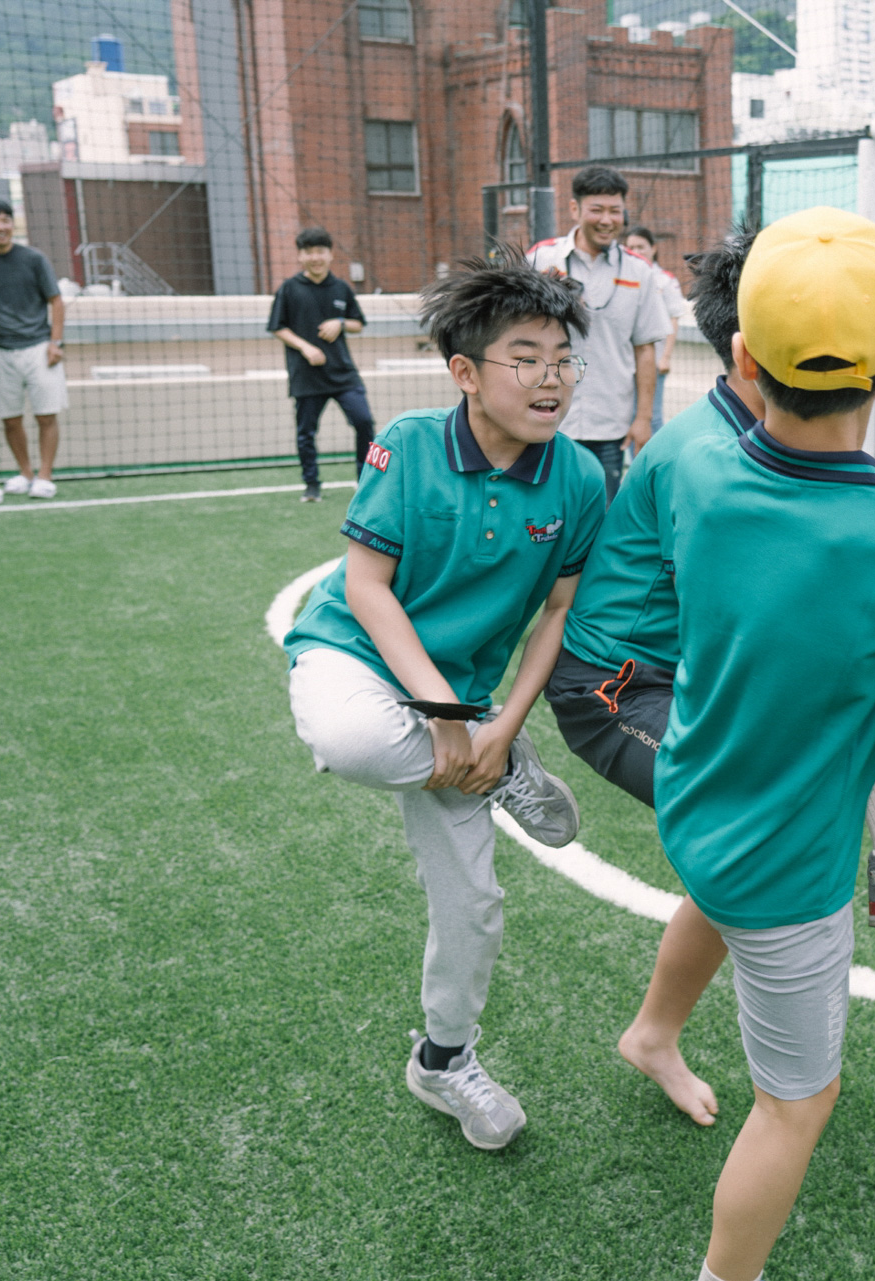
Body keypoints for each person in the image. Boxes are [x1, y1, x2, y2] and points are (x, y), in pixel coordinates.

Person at [658, 207, 875, 1281]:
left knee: (712, 900)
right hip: (788, 867)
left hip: (696, 801)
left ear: (745, 360)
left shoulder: (698, 474)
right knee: (797, 1104)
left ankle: (651, 1031)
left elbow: (782, 609)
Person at [282, 252, 606, 1152]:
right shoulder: (411, 443)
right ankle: (491, 772)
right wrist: (448, 718)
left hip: (466, 703)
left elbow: (558, 612)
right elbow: (367, 587)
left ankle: (443, 1059)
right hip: (357, 654)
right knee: (349, 737)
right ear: (465, 371)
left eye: (563, 359)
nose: (550, 378)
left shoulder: (580, 478)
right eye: (525, 358)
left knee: (474, 906)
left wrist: (502, 726)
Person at [543, 225, 761, 1129]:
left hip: (674, 672)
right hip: (613, 689)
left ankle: (660, 1032)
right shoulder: (708, 455)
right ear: (752, 347)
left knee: (754, 833)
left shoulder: (762, 430)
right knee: (747, 828)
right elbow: (740, 614)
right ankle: (658, 1033)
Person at [527, 167, 671, 501]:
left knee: (601, 513)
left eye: (615, 211)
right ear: (575, 209)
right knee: (540, 514)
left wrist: (643, 419)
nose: (607, 220)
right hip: (545, 417)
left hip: (610, 425)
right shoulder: (540, 259)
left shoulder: (639, 271)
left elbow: (645, 349)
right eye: (597, 210)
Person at [0, 197, 65, 500]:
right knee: (10, 419)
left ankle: (45, 476)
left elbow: (56, 301)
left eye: (6, 220)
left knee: (46, 415)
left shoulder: (34, 259)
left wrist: (55, 343)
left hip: (39, 348)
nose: (1, 226)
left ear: (12, 224)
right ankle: (25, 473)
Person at [268, 227, 374, 503]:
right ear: (300, 256)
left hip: (343, 373)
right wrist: (305, 347)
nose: (315, 257)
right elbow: (277, 327)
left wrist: (340, 323)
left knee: (364, 421)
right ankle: (312, 485)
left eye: (320, 251)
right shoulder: (289, 289)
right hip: (307, 375)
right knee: (306, 432)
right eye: (309, 252)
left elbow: (358, 324)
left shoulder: (341, 288)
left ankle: (365, 481)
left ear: (330, 254)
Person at [622, 226, 690, 438]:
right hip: (625, 362)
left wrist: (665, 357)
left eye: (641, 247)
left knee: (652, 415)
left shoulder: (665, 280)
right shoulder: (621, 277)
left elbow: (673, 319)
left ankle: (652, 458)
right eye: (631, 247)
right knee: (626, 415)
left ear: (653, 248)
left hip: (653, 361)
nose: (636, 251)